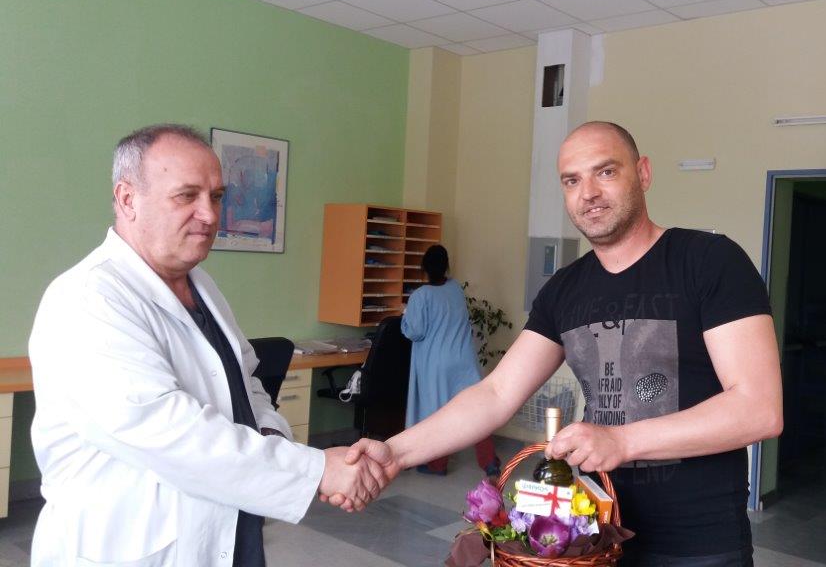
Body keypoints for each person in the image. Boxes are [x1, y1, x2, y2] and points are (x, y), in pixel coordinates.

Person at [345, 121, 783, 566]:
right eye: (572, 180)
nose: (588, 192)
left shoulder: (709, 261)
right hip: (592, 537)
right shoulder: (564, 290)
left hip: (699, 545)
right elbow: (495, 393)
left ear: (643, 173)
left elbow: (759, 408)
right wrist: (395, 452)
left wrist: (622, 441)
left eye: (605, 172)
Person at [28, 124, 386, 567]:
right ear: (127, 199)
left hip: (227, 529)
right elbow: (171, 433)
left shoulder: (201, 286)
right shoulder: (88, 299)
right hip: (131, 547)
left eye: (216, 196)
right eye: (187, 196)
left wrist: (272, 435)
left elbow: (245, 381)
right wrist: (316, 470)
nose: (210, 215)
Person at [402, 244, 500, 478]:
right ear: (446, 265)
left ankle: (437, 465)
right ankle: (489, 462)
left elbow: (415, 331)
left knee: (438, 413)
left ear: (424, 267)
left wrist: (404, 315)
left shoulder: (420, 296)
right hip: (463, 360)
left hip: (436, 364)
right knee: (475, 411)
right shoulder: (455, 288)